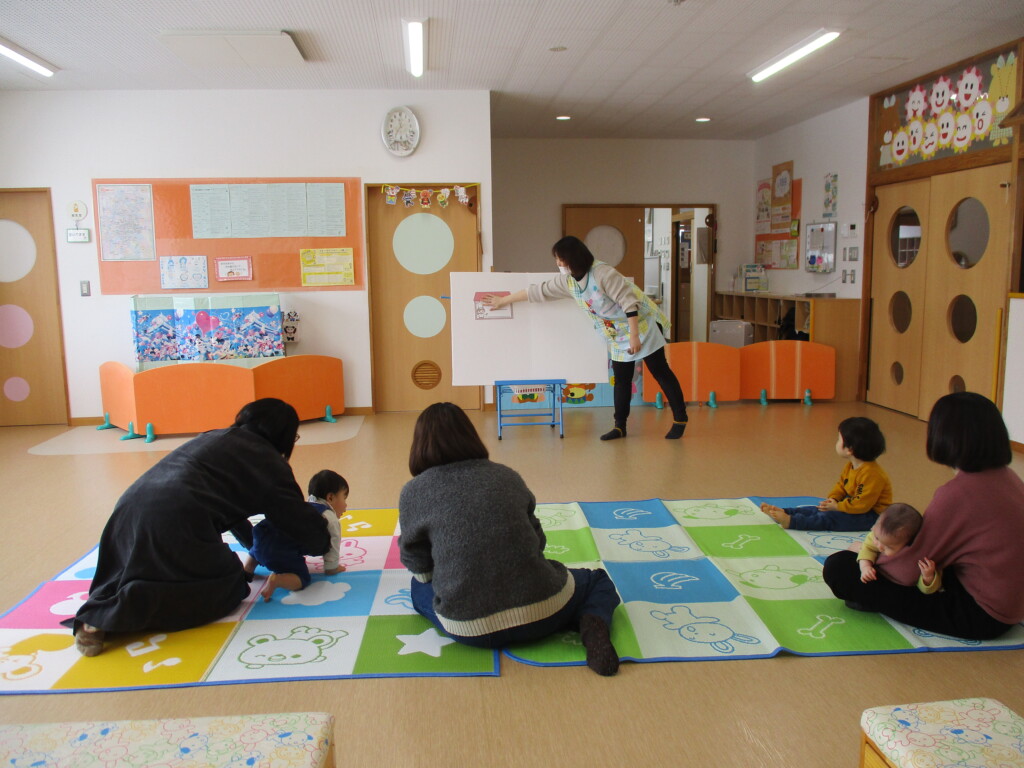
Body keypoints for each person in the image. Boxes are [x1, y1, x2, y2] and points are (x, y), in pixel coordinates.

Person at [67, 398, 331, 656]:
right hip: (177, 519)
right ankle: (120, 611)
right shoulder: (270, 463)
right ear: (285, 437)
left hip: (128, 510)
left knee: (131, 567)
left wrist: (256, 547)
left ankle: (99, 612)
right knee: (231, 586)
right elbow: (298, 521)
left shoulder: (214, 437)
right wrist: (324, 540)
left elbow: (233, 510)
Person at [398, 402, 622, 675]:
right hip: (545, 612)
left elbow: (419, 566)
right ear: (470, 436)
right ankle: (592, 623)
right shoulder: (506, 475)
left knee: (417, 586)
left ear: (419, 444)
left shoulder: (414, 492)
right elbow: (538, 542)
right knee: (597, 580)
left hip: (471, 629)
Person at [823, 392, 1024, 640]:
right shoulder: (1010, 478)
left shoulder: (958, 495)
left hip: (982, 616)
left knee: (839, 568)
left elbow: (906, 570)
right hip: (1011, 602)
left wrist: (869, 555)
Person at [483, 235, 688, 440]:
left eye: (560, 259)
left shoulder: (603, 274)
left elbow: (629, 303)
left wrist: (635, 336)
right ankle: (619, 426)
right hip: (616, 333)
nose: (558, 263)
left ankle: (680, 419)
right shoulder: (568, 281)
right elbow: (538, 292)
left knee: (660, 372)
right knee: (621, 380)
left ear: (572, 258)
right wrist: (503, 300)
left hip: (640, 325)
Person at [760, 416, 892, 531]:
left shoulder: (872, 474)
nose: (836, 443)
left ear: (849, 449)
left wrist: (838, 506)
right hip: (853, 507)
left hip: (871, 516)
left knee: (829, 518)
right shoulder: (851, 465)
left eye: (839, 440)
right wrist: (834, 499)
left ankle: (792, 521)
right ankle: (787, 512)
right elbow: (841, 485)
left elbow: (861, 504)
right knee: (818, 509)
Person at [244, 469, 349, 602]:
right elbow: (332, 544)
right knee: (302, 578)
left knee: (263, 545)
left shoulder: (300, 506)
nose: (346, 505)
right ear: (330, 498)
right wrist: (332, 567)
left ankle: (248, 569)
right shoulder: (329, 518)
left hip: (260, 538)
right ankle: (277, 580)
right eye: (344, 498)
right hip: (279, 552)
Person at [855, 502, 939, 592]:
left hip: (901, 589)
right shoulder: (875, 536)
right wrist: (865, 567)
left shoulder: (918, 558)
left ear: (908, 546)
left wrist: (928, 577)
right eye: (877, 538)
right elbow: (867, 549)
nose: (879, 546)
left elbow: (928, 590)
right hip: (877, 577)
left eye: (888, 547)